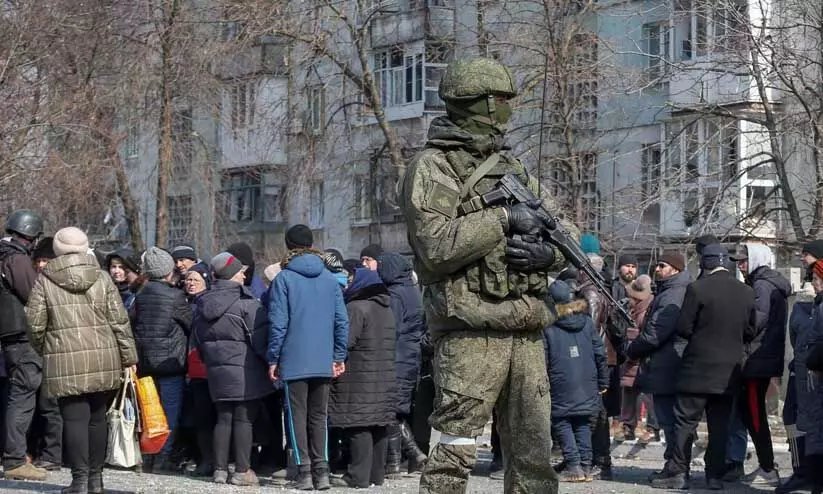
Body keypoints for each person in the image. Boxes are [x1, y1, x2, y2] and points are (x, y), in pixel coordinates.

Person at [399, 57, 567, 494]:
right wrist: (503, 218)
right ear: (481, 105)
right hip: (470, 331)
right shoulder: (433, 166)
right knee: (454, 454)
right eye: (502, 100)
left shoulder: (516, 170)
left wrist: (545, 255)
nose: (509, 108)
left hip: (526, 331)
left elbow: (568, 238)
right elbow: (435, 246)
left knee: (533, 460)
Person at [25, 227, 138, 493]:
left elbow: (34, 323)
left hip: (64, 359)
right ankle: (96, 481)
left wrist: (46, 348)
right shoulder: (102, 277)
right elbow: (119, 321)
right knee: (98, 420)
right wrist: (129, 356)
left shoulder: (45, 280)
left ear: (58, 250)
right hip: (104, 357)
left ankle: (78, 481)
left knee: (74, 420)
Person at [651, 244, 756, 490]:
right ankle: (714, 475)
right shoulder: (746, 291)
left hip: (697, 368)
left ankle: (678, 473)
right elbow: (750, 330)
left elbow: (683, 327)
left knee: (685, 422)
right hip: (728, 371)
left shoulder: (697, 289)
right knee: (720, 425)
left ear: (704, 263)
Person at [267, 225, 349, 491]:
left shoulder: (284, 279)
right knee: (319, 416)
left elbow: (278, 323)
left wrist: (273, 358)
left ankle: (304, 473)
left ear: (289, 245)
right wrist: (338, 355)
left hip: (294, 358)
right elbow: (341, 321)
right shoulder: (330, 278)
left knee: (296, 417)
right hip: (323, 358)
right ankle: (322, 471)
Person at [194, 252, 272, 486]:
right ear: (230, 275)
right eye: (239, 271)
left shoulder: (202, 305)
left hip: (217, 372)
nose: (243, 274)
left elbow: (198, 342)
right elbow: (260, 343)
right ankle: (242, 470)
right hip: (245, 372)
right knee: (243, 421)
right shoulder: (246, 305)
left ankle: (219, 470)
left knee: (223, 419)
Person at [621, 253, 691, 477]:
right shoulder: (669, 290)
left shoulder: (673, 293)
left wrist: (633, 349)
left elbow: (657, 332)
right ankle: (673, 465)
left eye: (662, 265)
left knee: (669, 420)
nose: (657, 269)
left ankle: (675, 467)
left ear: (676, 270)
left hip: (667, 364)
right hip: (666, 362)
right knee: (670, 419)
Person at [728, 244, 791, 486]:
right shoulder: (763, 282)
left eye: (744, 261)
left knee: (754, 414)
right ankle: (767, 465)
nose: (740, 265)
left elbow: (755, 322)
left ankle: (768, 468)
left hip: (756, 360)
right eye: (738, 261)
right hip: (759, 358)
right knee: (751, 412)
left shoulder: (762, 285)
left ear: (755, 260)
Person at [329, 269, 396, 488]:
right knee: (378, 425)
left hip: (359, 376)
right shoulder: (386, 309)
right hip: (383, 376)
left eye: (351, 281)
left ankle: (357, 476)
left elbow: (345, 342)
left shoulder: (356, 308)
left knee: (359, 425)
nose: (348, 286)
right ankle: (376, 475)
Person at [132, 246, 192, 472]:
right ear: (168, 270)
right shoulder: (176, 297)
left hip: (145, 363)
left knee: (149, 411)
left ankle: (148, 456)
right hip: (171, 364)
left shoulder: (140, 295)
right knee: (170, 412)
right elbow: (190, 324)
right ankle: (163, 457)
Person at [0, 209, 48, 481]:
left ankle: (12, 456)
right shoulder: (16, 260)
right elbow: (34, 294)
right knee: (23, 397)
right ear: (31, 235)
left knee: (14, 395)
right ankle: (15, 459)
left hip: (8, 335)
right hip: (21, 335)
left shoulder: (3, 255)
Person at [544, 280, 608, 482]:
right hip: (587, 381)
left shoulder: (547, 325)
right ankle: (586, 467)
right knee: (581, 422)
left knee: (562, 422)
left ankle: (573, 466)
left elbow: (544, 358)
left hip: (560, 380)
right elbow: (600, 352)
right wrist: (603, 381)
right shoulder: (587, 322)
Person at [377, 253, 428, 475]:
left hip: (396, 358)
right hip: (410, 358)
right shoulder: (413, 291)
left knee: (390, 409)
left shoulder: (395, 294)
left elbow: (391, 328)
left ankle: (405, 457)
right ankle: (401, 458)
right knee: (397, 410)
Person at [25, 235, 63, 473]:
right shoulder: (33, 282)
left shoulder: (58, 286)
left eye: (46, 260)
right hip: (36, 350)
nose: (41, 265)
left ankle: (52, 455)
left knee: (51, 408)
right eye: (39, 260)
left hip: (53, 352)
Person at [181, 262, 214, 477]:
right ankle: (204, 459)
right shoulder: (183, 303)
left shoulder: (207, 305)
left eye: (196, 280)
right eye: (188, 280)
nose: (190, 284)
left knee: (211, 417)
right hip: (194, 370)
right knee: (200, 418)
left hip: (207, 367)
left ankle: (213, 460)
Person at [793, 258, 823, 494]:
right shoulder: (815, 305)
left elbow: (816, 342)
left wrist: (812, 360)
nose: (813, 284)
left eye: (816, 279)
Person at [619, 275, 659, 443]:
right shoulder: (631, 309)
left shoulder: (650, 309)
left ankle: (652, 428)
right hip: (631, 355)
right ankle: (628, 425)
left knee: (649, 394)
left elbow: (649, 333)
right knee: (629, 390)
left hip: (643, 355)